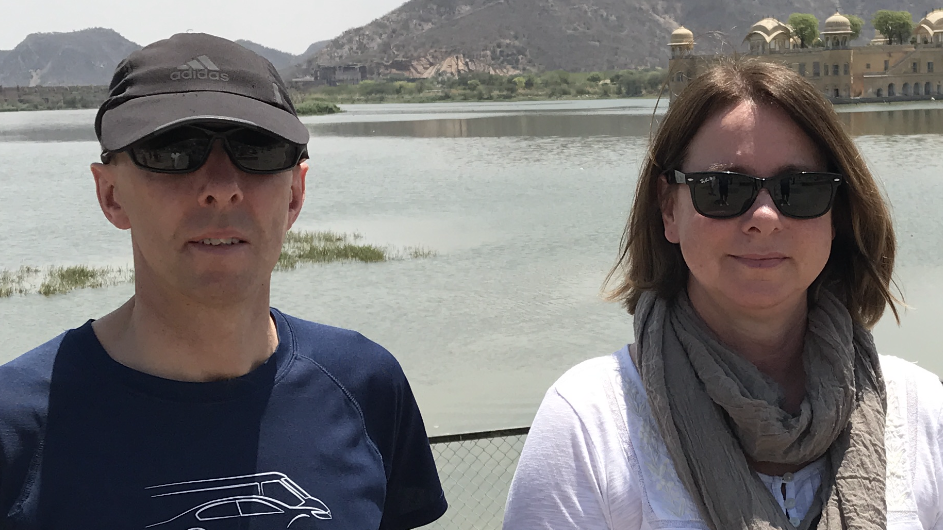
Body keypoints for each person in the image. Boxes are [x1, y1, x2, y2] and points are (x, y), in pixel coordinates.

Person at [0, 33, 447, 530]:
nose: (221, 188)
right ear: (111, 196)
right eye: (171, 152)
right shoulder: (16, 424)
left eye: (256, 151)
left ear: (295, 195)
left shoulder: (366, 386)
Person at [503, 58, 943, 530]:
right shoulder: (591, 424)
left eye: (800, 189)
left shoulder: (918, 411)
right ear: (669, 209)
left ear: (836, 214)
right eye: (723, 189)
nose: (764, 217)